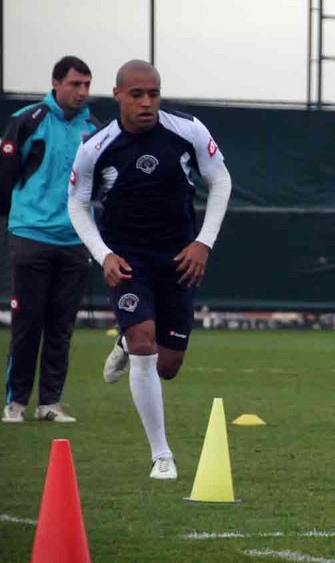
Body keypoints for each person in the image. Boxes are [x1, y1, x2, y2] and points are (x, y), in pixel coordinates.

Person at [67, 60, 232, 480]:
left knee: (168, 365)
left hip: (178, 259)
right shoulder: (95, 147)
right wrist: (104, 255)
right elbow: (77, 204)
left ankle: (125, 342)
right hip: (128, 261)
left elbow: (221, 181)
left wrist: (203, 243)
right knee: (145, 344)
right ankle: (162, 455)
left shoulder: (188, 130)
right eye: (137, 94)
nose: (146, 102)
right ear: (117, 95)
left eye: (153, 94)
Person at [1, 56, 99, 424]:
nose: (82, 92)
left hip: (75, 240)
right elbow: (5, 177)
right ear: (56, 83)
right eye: (75, 84)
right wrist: (19, 218)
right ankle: (15, 403)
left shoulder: (94, 129)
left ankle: (50, 404)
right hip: (31, 235)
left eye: (87, 84)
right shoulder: (28, 120)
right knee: (28, 324)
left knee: (61, 326)